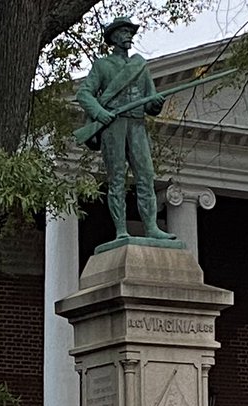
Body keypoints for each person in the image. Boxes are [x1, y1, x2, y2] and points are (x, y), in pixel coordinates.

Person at [75, 17, 176, 242]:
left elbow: (149, 102)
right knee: (117, 178)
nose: (129, 35)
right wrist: (100, 113)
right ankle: (121, 229)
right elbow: (84, 94)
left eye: (130, 32)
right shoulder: (103, 65)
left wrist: (155, 103)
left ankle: (151, 228)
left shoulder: (140, 65)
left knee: (146, 176)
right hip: (114, 124)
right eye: (124, 32)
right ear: (113, 37)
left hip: (137, 124)